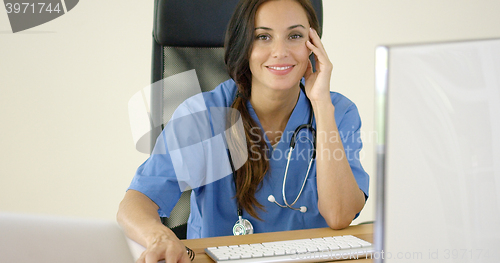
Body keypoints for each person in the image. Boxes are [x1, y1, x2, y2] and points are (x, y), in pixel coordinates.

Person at [117, 0, 369, 262]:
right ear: (244, 46)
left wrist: (320, 104)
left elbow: (340, 216)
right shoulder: (204, 114)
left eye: (295, 36)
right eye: (263, 37)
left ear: (313, 47)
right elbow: (136, 202)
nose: (280, 51)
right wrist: (160, 237)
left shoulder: (338, 111)